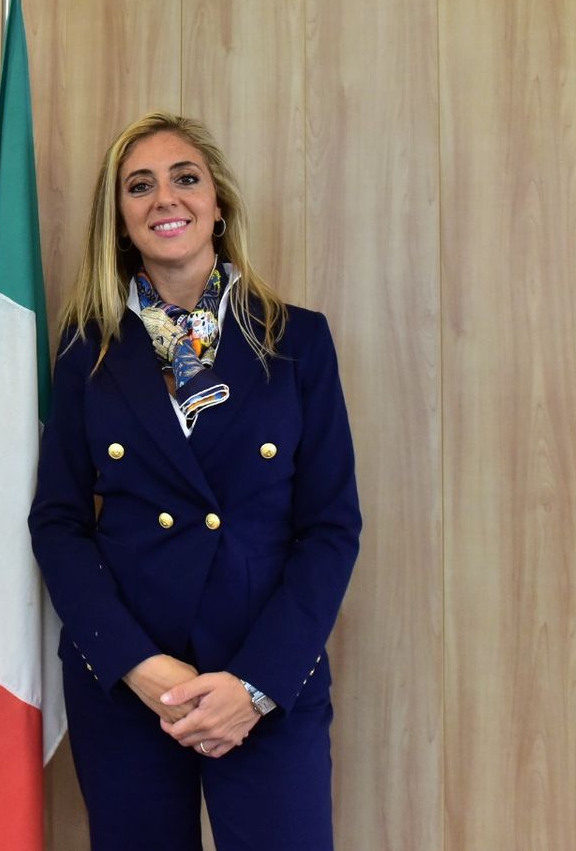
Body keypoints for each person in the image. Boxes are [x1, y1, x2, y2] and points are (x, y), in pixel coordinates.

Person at [29, 111, 361, 850]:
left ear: (218, 203)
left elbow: (331, 527)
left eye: (186, 179)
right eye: (139, 187)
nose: (165, 199)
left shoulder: (296, 339)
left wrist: (254, 685)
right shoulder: (87, 350)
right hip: (130, 687)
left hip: (268, 681)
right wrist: (138, 668)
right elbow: (57, 522)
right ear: (119, 222)